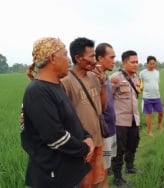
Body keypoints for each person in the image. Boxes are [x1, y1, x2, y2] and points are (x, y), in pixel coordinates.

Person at [20, 37, 94, 188]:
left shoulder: (56, 86)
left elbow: (71, 120)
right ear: (53, 57)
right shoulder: (38, 91)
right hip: (53, 178)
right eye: (65, 54)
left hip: (67, 172)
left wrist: (87, 137)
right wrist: (85, 148)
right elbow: (55, 136)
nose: (69, 60)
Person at [60, 37, 108, 188]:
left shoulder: (94, 77)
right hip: (82, 145)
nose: (95, 60)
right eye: (91, 56)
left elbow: (103, 107)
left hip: (98, 138)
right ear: (78, 58)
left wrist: (103, 84)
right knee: (84, 182)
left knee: (95, 180)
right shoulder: (66, 81)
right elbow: (62, 117)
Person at [110, 50, 142, 186]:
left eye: (137, 62)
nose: (136, 65)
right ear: (124, 62)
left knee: (133, 144)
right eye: (132, 62)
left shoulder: (136, 78)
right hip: (120, 121)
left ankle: (130, 167)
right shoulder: (115, 78)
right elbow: (107, 100)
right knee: (119, 150)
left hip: (134, 119)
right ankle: (117, 178)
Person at [95, 43, 117, 188]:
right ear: (100, 58)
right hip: (102, 131)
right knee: (101, 169)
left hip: (110, 127)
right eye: (112, 57)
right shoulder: (94, 77)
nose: (114, 60)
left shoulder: (105, 76)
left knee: (106, 167)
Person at [139, 55, 164, 136]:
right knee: (148, 114)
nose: (152, 65)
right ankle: (149, 131)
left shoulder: (157, 72)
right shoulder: (142, 73)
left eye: (154, 64)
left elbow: (157, 82)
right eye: (150, 64)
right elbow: (139, 84)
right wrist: (141, 88)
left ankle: (159, 125)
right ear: (147, 63)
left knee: (161, 112)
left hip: (157, 96)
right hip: (147, 97)